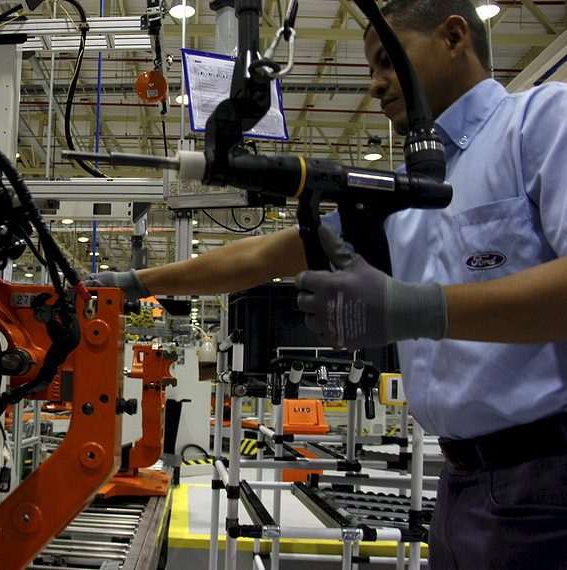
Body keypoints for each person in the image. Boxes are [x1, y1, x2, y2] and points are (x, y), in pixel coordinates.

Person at [88, 1, 567, 567]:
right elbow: (267, 254)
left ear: (454, 37)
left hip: (548, 482)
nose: (375, 84)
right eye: (370, 68)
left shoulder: (540, 122)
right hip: (462, 486)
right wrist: (134, 281)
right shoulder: (410, 189)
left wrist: (417, 309)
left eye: (388, 61)